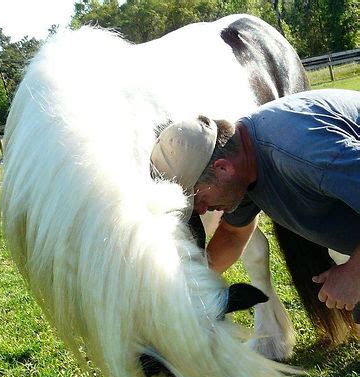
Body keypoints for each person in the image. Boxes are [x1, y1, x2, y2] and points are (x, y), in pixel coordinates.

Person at [151, 89, 360, 313]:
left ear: (222, 168)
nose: (201, 210)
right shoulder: (242, 166)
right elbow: (234, 234)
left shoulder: (300, 154)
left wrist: (354, 273)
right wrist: (189, 290)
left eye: (198, 198)